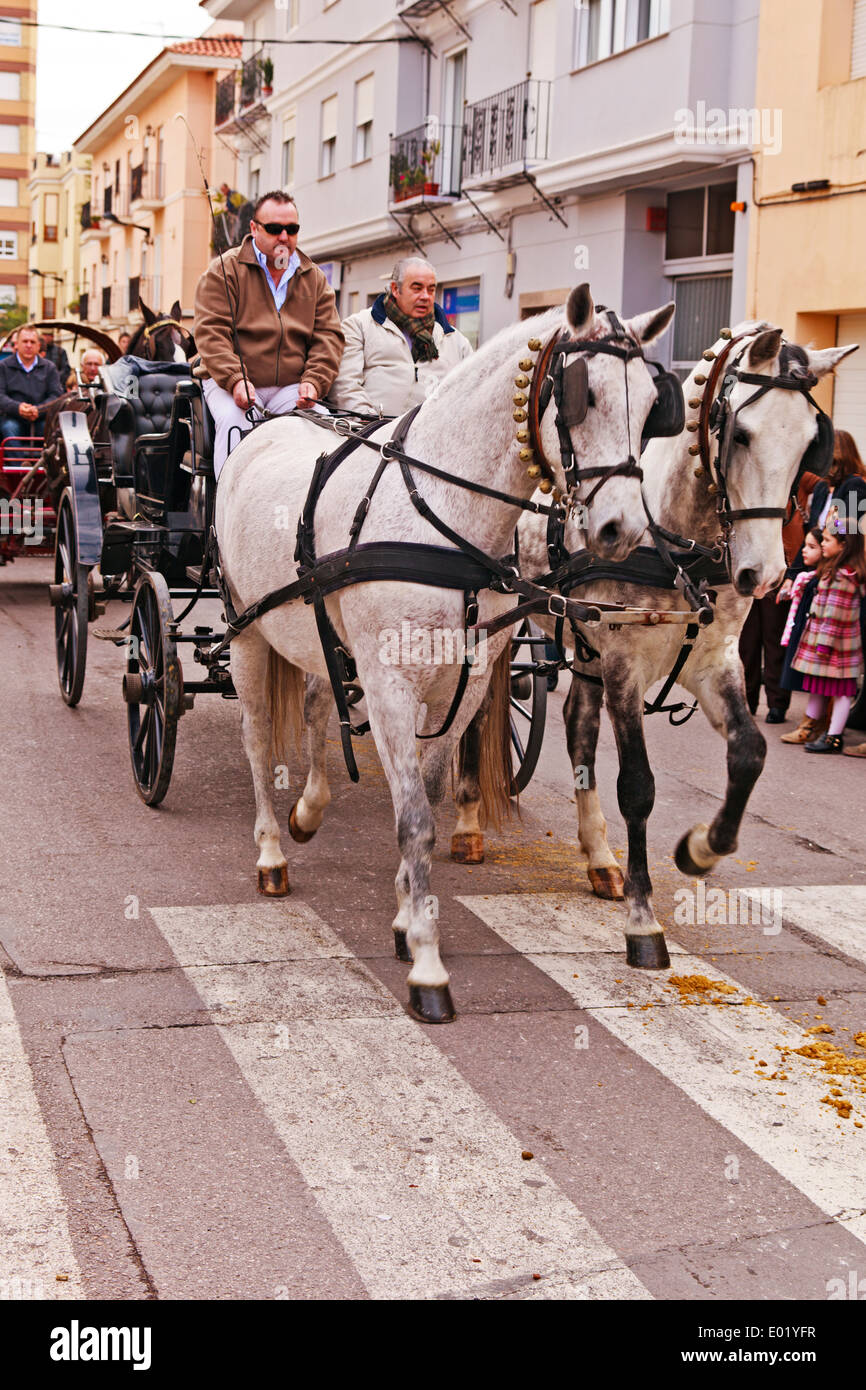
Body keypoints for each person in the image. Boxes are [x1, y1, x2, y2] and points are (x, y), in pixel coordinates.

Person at [194, 190, 344, 477]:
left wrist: (314, 381)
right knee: (233, 423)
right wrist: (236, 380)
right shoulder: (224, 270)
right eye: (274, 229)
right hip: (229, 381)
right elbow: (211, 331)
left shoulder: (313, 277)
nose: (284, 237)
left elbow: (328, 337)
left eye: (292, 229)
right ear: (254, 228)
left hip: (290, 387)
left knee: (323, 426)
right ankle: (227, 511)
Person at [329, 256, 473, 416]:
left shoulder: (455, 340)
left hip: (432, 436)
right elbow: (345, 387)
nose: (425, 296)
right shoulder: (359, 326)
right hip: (369, 434)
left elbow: (471, 391)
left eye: (431, 289)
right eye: (417, 288)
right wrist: (369, 426)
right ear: (396, 289)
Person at [739, 459, 823, 722]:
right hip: (750, 565)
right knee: (747, 642)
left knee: (775, 640)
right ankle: (746, 702)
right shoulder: (749, 472)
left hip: (782, 569)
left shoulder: (799, 472)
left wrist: (828, 526)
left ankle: (777, 704)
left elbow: (827, 482)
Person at [787, 509, 866, 753]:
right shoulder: (834, 572)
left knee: (841, 692)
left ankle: (834, 736)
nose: (822, 543)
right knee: (819, 686)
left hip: (834, 647)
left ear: (843, 545)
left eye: (827, 540)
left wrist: (824, 643)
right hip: (828, 644)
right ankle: (813, 726)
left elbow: (835, 615)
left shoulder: (843, 578)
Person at [778, 528, 827, 744]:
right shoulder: (821, 495)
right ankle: (815, 722)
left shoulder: (853, 493)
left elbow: (846, 535)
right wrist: (792, 575)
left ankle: (826, 727)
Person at [0, 324, 63, 440]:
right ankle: (20, 459)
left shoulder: (50, 368)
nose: (29, 345)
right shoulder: (3, 366)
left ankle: (42, 459)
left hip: (42, 417)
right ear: (17, 344)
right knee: (8, 428)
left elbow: (56, 395)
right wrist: (18, 408)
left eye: (32, 342)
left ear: (39, 346)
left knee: (53, 431)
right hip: (12, 417)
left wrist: (38, 410)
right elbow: (1, 395)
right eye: (25, 341)